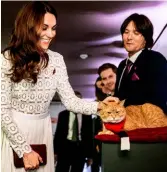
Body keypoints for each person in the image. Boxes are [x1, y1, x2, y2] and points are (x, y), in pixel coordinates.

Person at [1, 2, 118, 172]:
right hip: (16, 131)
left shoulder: (57, 60)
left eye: (53, 28)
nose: (50, 34)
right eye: (45, 27)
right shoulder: (7, 58)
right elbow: (2, 110)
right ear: (29, 26)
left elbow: (71, 102)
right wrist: (24, 150)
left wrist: (102, 105)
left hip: (43, 130)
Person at [114, 13, 167, 114]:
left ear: (146, 38)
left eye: (136, 33)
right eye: (126, 32)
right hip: (125, 125)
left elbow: (158, 98)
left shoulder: (155, 59)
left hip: (148, 124)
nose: (129, 37)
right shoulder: (122, 65)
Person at [54, 91, 93, 172]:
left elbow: (89, 136)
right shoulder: (62, 115)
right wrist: (55, 152)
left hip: (80, 149)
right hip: (64, 148)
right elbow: (58, 134)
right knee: (61, 169)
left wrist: (90, 156)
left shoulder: (87, 116)